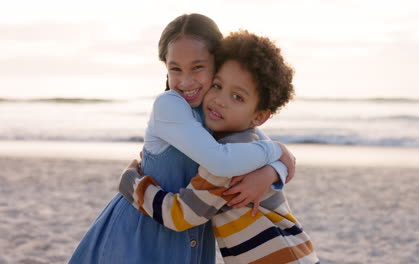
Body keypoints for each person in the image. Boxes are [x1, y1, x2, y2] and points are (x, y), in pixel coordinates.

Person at [70, 14, 295, 264]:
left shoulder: (216, 110)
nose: (186, 81)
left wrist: (272, 171)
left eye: (198, 67)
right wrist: (276, 151)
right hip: (144, 229)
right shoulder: (170, 105)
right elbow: (223, 160)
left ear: (216, 64)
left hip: (191, 231)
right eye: (175, 69)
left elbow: (255, 146)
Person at [119, 31, 320, 264]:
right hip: (296, 252)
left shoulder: (227, 158)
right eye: (217, 85)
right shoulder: (251, 141)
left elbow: (180, 216)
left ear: (260, 116)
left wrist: (133, 183)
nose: (220, 100)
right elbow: (278, 154)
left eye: (237, 96)